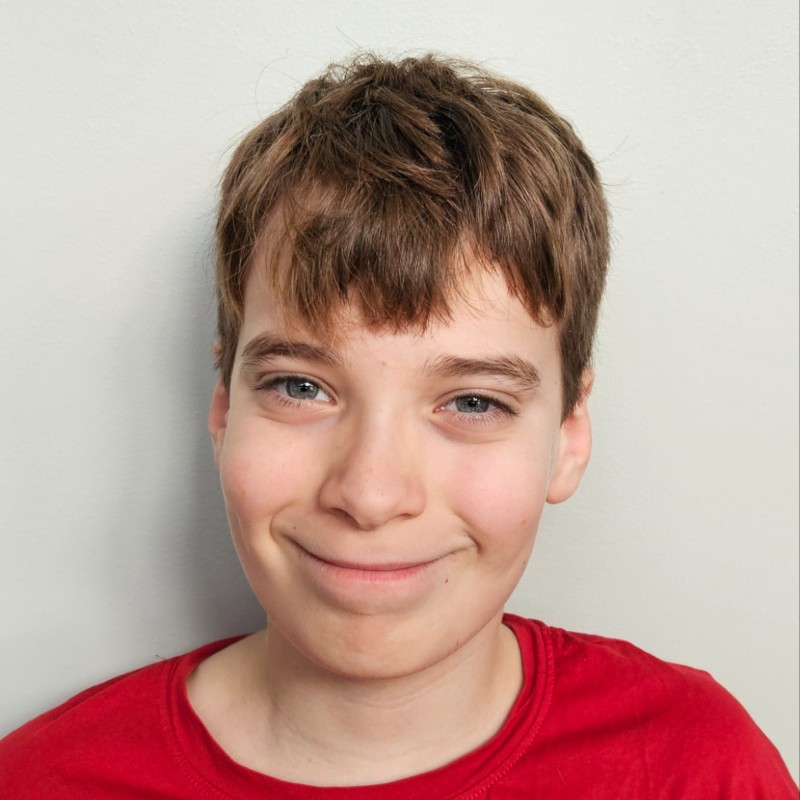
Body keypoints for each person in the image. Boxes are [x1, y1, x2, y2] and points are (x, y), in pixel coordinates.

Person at [1, 53, 796, 799]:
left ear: (569, 436)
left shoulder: (698, 771)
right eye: (300, 387)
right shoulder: (40, 781)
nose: (371, 495)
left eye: (474, 402)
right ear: (224, 407)